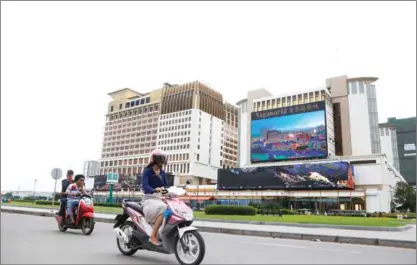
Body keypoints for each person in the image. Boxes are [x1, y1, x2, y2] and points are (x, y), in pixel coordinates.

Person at [142, 149, 169, 247]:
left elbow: (166, 186)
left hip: (160, 198)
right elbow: (145, 186)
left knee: (172, 210)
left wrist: (164, 188)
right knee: (163, 208)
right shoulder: (147, 171)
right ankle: (153, 236)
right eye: (160, 159)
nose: (162, 161)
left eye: (163, 159)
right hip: (149, 199)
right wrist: (154, 190)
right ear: (155, 159)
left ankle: (164, 233)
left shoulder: (162, 172)